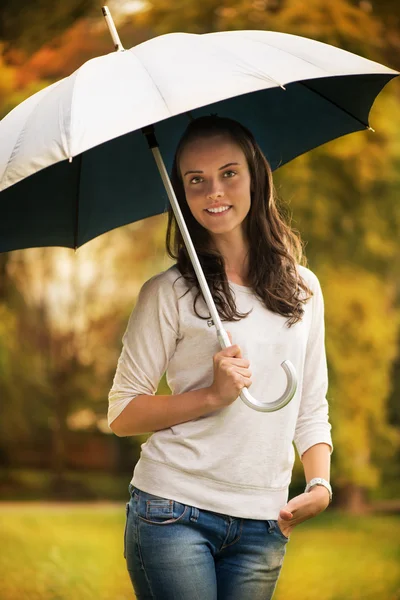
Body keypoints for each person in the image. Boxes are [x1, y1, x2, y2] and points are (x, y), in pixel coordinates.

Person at [108, 115, 334, 600]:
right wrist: (212, 395)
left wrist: (319, 483)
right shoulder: (166, 293)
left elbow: (310, 404)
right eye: (196, 180)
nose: (214, 192)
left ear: (255, 175)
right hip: (173, 512)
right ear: (181, 194)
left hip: (264, 522)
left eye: (229, 173)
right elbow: (123, 414)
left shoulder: (304, 288)